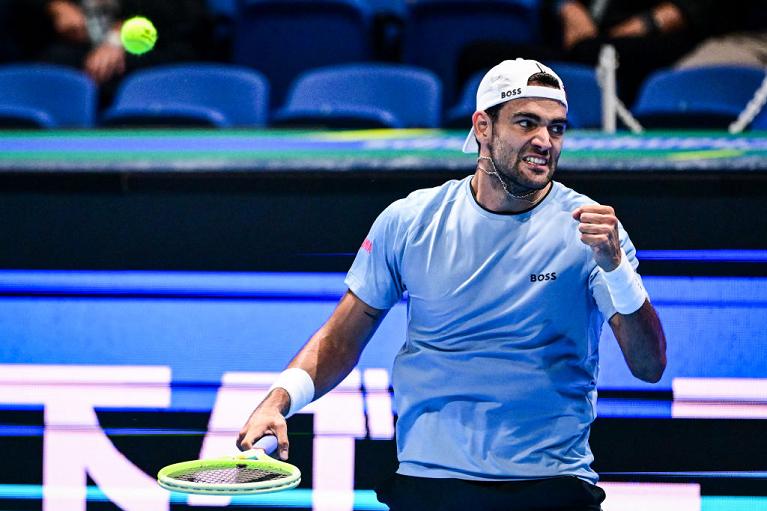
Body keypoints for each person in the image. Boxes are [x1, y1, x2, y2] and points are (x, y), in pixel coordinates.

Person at [237, 58, 667, 510]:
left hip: (550, 485)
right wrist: (279, 401)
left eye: (556, 128)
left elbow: (649, 365)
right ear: (483, 126)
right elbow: (340, 340)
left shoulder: (594, 231)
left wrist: (616, 269)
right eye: (527, 123)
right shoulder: (411, 219)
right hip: (430, 484)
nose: (545, 141)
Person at [457, 0, 721, 107]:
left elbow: (694, 9)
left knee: (596, 52)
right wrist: (568, 7)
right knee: (476, 55)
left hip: (658, 43)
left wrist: (647, 24)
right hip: (581, 45)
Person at [12, 0, 213, 105]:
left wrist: (120, 35)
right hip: (73, 53)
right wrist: (53, 5)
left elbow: (187, 16)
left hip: (151, 53)